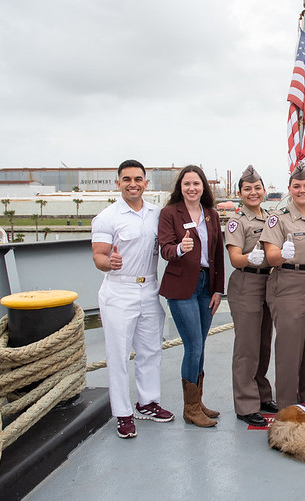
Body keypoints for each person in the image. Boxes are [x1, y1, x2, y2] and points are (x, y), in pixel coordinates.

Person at [91, 159, 174, 439]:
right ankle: (123, 414)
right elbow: (99, 256)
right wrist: (109, 262)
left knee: (151, 349)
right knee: (118, 354)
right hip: (119, 289)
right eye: (126, 179)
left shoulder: (157, 214)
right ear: (118, 183)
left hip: (149, 287)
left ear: (145, 184)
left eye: (138, 179)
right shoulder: (107, 217)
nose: (133, 184)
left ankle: (147, 402)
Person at [260, 164, 305, 410]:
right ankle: (288, 404)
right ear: (289, 189)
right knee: (290, 346)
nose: (302, 190)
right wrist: (282, 253)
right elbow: (270, 255)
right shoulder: (278, 219)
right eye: (297, 186)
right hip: (289, 282)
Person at [158, 165, 224, 428]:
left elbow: (217, 254)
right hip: (182, 286)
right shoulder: (169, 214)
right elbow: (165, 249)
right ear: (180, 187)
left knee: (201, 345)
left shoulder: (211, 215)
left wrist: (218, 289)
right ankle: (190, 408)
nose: (192, 188)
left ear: (203, 187)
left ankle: (198, 402)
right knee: (193, 345)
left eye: (196, 184)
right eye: (187, 184)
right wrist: (180, 249)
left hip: (206, 285)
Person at [225, 165, 277, 427]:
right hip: (247, 283)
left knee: (264, 344)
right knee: (247, 347)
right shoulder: (238, 221)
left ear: (265, 191)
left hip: (270, 282)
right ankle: (245, 403)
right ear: (240, 193)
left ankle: (262, 394)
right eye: (248, 189)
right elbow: (234, 258)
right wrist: (249, 258)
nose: (253, 192)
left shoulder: (271, 216)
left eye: (257, 188)